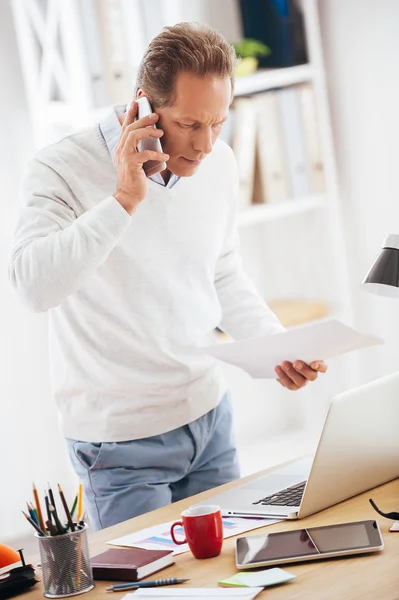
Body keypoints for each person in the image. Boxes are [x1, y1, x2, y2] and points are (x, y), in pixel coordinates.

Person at [9, 22, 326, 531]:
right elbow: (33, 287)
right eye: (188, 124)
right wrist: (124, 199)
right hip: (119, 443)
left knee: (231, 576)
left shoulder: (217, 162)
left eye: (217, 123)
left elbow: (221, 271)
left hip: (208, 417)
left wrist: (273, 346)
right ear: (143, 106)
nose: (204, 145)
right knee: (152, 589)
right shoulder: (60, 169)